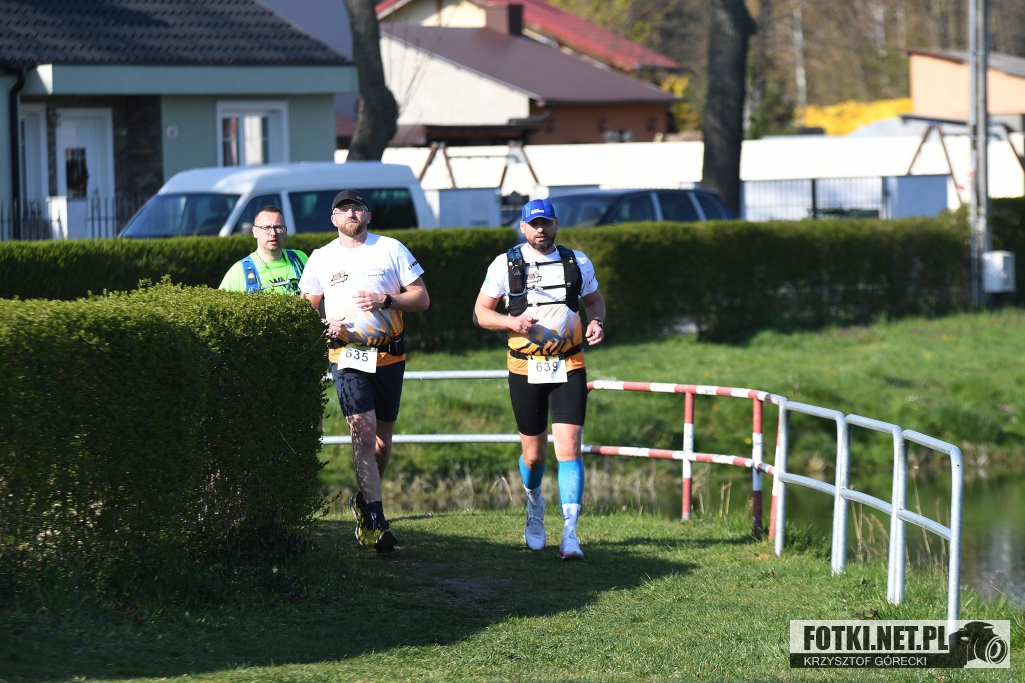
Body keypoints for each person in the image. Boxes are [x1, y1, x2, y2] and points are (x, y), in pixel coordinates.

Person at [473, 199, 606, 560]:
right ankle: (534, 505)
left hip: (569, 363)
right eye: (534, 225)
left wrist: (596, 321)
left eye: (546, 223)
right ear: (523, 228)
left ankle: (570, 534)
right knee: (533, 457)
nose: (540, 230)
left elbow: (594, 302)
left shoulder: (577, 261)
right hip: (525, 367)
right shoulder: (505, 264)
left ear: (556, 224)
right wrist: (510, 322)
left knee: (570, 449)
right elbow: (481, 313)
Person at [299, 190, 429, 553]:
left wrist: (385, 300)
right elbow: (306, 308)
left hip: (388, 355)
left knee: (382, 443)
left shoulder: (391, 249)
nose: (351, 214)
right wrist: (324, 325)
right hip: (346, 356)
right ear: (333, 219)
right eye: (343, 210)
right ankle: (376, 520)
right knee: (363, 433)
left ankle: (364, 499)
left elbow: (421, 298)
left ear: (368, 216)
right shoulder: (322, 257)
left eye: (357, 208)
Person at [219, 205, 307, 293]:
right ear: (255, 232)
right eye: (266, 228)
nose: (273, 233)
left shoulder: (300, 258)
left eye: (278, 227)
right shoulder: (239, 271)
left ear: (285, 231)